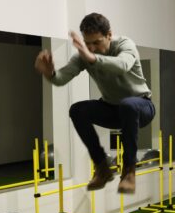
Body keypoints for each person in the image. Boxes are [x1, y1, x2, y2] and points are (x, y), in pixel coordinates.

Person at [34, 13, 155, 194]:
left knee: (128, 105)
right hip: (112, 109)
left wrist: (91, 58)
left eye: (97, 42)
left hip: (141, 107)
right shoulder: (84, 55)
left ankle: (129, 171)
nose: (92, 48)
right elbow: (60, 79)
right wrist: (49, 72)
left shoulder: (124, 44)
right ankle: (102, 167)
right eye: (87, 43)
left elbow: (122, 65)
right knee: (77, 110)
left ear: (109, 35)